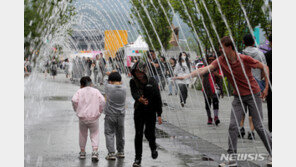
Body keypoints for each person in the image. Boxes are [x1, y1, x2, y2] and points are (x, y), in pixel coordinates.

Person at [174, 36, 272, 166]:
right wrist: (186, 76)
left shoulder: (243, 58)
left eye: (221, 47)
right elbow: (204, 69)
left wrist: (266, 88)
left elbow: (265, 67)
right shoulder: (221, 60)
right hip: (238, 97)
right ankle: (231, 158)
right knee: (233, 126)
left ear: (229, 47)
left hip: (253, 94)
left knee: (258, 126)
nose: (219, 49)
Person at [129, 60, 163, 167]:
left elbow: (158, 97)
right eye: (136, 72)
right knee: (138, 134)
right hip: (139, 111)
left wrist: (159, 114)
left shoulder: (152, 81)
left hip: (151, 111)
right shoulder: (133, 81)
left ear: (144, 71)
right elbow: (134, 93)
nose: (138, 74)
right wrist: (139, 99)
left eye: (140, 72)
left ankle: (153, 147)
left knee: (149, 133)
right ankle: (137, 159)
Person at [237, 34, 268, 140]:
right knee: (253, 109)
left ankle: (240, 128)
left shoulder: (240, 54)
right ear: (254, 42)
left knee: (242, 107)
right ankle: (251, 132)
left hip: (243, 84)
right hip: (256, 84)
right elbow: (264, 69)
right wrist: (263, 82)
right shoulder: (260, 54)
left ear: (243, 42)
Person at [71, 76, 106, 162]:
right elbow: (103, 101)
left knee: (82, 134)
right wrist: (99, 111)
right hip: (94, 117)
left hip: (82, 117)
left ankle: (82, 152)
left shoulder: (79, 91)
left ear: (81, 84)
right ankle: (94, 152)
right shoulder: (96, 91)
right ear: (90, 83)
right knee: (94, 133)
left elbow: (74, 100)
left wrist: (77, 109)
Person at [104, 72, 127, 160]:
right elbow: (122, 81)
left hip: (110, 114)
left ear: (111, 80)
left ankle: (111, 153)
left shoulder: (108, 87)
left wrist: (108, 75)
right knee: (120, 133)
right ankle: (120, 152)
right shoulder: (124, 88)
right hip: (121, 115)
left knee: (109, 133)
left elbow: (106, 81)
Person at [202, 54, 223, 125]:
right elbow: (201, 74)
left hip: (215, 88)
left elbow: (221, 76)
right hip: (206, 89)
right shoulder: (205, 67)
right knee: (207, 104)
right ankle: (209, 118)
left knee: (215, 102)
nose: (211, 61)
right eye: (209, 59)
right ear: (207, 60)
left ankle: (216, 117)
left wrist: (214, 72)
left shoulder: (217, 67)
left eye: (212, 59)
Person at [265, 35, 272, 133]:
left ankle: (272, 130)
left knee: (271, 107)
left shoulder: (268, 55)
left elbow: (265, 70)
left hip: (271, 82)